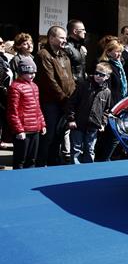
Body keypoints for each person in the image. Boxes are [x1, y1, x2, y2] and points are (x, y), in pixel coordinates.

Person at [35, 26, 76, 166]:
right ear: (51, 38)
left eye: (65, 37)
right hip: (50, 102)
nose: (65, 40)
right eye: (61, 37)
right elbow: (49, 81)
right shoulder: (44, 54)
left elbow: (70, 79)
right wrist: (65, 99)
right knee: (48, 136)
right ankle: (40, 165)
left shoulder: (64, 55)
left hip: (64, 102)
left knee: (59, 135)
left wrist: (72, 99)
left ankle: (53, 163)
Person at [66, 62, 112, 164]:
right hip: (78, 123)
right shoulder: (84, 85)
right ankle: (75, 169)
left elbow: (106, 110)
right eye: (96, 73)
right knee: (76, 149)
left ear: (107, 77)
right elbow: (72, 103)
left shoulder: (107, 92)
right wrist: (71, 119)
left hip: (94, 125)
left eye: (101, 75)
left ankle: (88, 170)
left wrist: (103, 123)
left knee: (90, 149)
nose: (97, 76)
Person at [6, 57, 46, 168]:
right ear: (22, 72)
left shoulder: (35, 86)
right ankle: (18, 178)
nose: (32, 75)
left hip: (35, 129)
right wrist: (18, 130)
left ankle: (30, 177)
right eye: (29, 73)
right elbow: (12, 111)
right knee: (20, 160)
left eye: (34, 73)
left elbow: (37, 108)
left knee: (32, 159)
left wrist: (42, 124)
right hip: (23, 130)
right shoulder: (15, 87)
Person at [95, 36, 127, 162]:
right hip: (111, 106)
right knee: (111, 135)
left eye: (120, 51)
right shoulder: (107, 66)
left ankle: (105, 158)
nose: (119, 54)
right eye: (116, 51)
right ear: (108, 52)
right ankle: (103, 159)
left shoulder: (119, 65)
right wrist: (111, 107)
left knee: (113, 136)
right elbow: (106, 90)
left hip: (119, 104)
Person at [64, 19, 88, 84]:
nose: (85, 32)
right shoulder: (67, 48)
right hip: (72, 86)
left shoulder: (80, 47)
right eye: (83, 29)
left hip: (81, 85)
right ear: (75, 31)